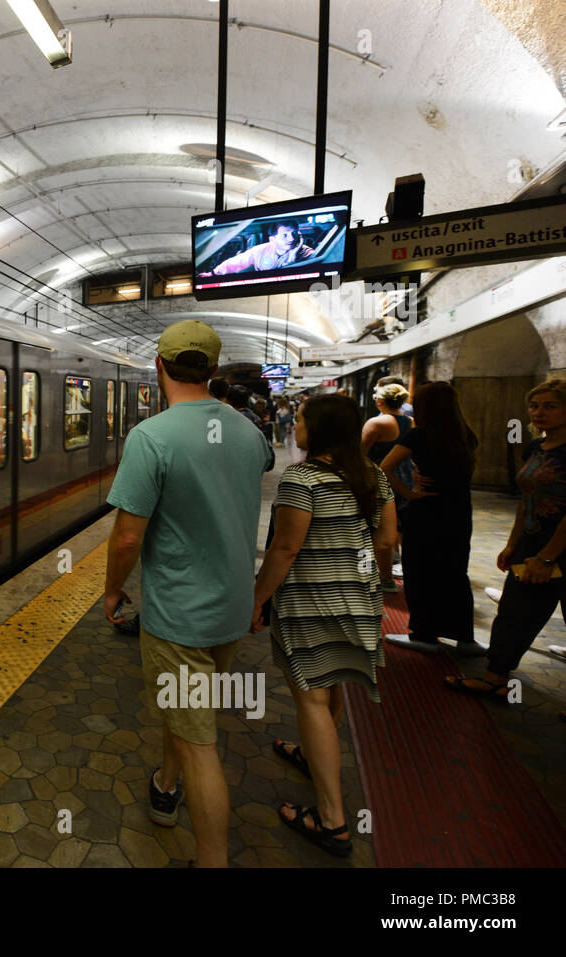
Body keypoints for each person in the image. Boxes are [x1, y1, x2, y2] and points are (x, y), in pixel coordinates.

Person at [103, 319, 273, 868]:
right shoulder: (250, 433)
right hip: (231, 609)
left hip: (180, 615)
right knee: (190, 714)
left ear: (159, 366)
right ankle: (164, 784)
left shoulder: (151, 437)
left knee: (202, 742)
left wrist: (111, 591)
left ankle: (212, 858)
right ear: (215, 370)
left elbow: (128, 535)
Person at [252, 394, 396, 857]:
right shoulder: (373, 475)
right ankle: (315, 753)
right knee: (331, 687)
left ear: (319, 430)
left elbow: (285, 549)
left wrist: (257, 599)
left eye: (302, 421)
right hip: (360, 600)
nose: (296, 427)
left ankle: (332, 821)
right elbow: (388, 539)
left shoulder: (303, 478)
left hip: (310, 602)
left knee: (310, 699)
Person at [446, 380, 566, 699]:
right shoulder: (536, 447)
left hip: (558, 548)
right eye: (534, 406)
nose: (539, 412)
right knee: (514, 612)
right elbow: (526, 498)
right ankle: (496, 677)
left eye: (550, 406)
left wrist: (548, 557)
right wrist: (514, 544)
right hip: (533, 543)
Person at [381, 383, 481, 655]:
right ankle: (465, 638)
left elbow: (385, 468)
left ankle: (424, 634)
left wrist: (409, 494)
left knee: (422, 572)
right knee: (455, 572)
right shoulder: (466, 435)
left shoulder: (419, 435)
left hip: (427, 511)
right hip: (459, 511)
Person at [362, 381, 412, 593]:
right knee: (399, 526)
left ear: (381, 400)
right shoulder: (410, 421)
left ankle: (382, 577)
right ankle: (397, 568)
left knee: (377, 530)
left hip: (378, 478)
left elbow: (360, 453)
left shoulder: (376, 423)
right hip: (406, 476)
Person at [202, 220, 315, 276]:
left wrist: (293, 256)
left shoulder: (304, 251)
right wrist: (212, 274)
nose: (291, 239)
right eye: (284, 235)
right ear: (272, 239)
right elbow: (235, 263)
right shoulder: (260, 250)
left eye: (294, 233)